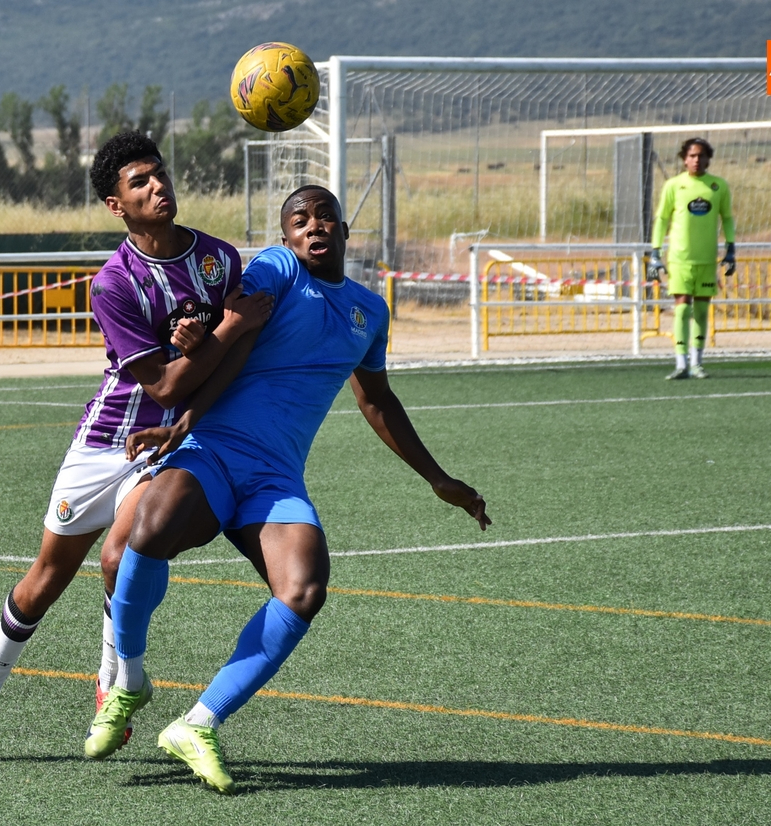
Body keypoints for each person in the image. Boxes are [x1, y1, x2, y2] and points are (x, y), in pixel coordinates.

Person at [81, 185, 491, 793]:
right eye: (300, 220)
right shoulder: (277, 268)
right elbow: (235, 338)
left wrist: (439, 479)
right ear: (286, 236)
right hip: (212, 448)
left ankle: (198, 723)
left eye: (325, 217)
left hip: (275, 477)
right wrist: (185, 423)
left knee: (303, 589)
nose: (313, 226)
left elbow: (377, 401)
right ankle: (130, 681)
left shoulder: (370, 311)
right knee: (151, 529)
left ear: (344, 231)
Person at [0, 131, 272, 761]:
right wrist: (218, 333)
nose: (157, 186)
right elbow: (166, 382)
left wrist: (214, 349)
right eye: (139, 182)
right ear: (116, 205)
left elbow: (233, 358)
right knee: (43, 581)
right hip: (105, 443)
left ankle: (112, 685)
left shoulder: (220, 259)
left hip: (167, 447)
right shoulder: (112, 284)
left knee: (122, 557)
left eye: (159, 173)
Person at [648, 137, 736, 380]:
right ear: (684, 159)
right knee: (682, 308)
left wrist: (730, 248)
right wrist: (655, 252)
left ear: (708, 159)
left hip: (706, 258)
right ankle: (681, 363)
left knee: (701, 310)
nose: (696, 160)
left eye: (701, 156)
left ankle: (697, 362)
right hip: (680, 258)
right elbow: (662, 219)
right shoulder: (674, 185)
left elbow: (727, 218)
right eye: (692, 156)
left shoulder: (718, 186)